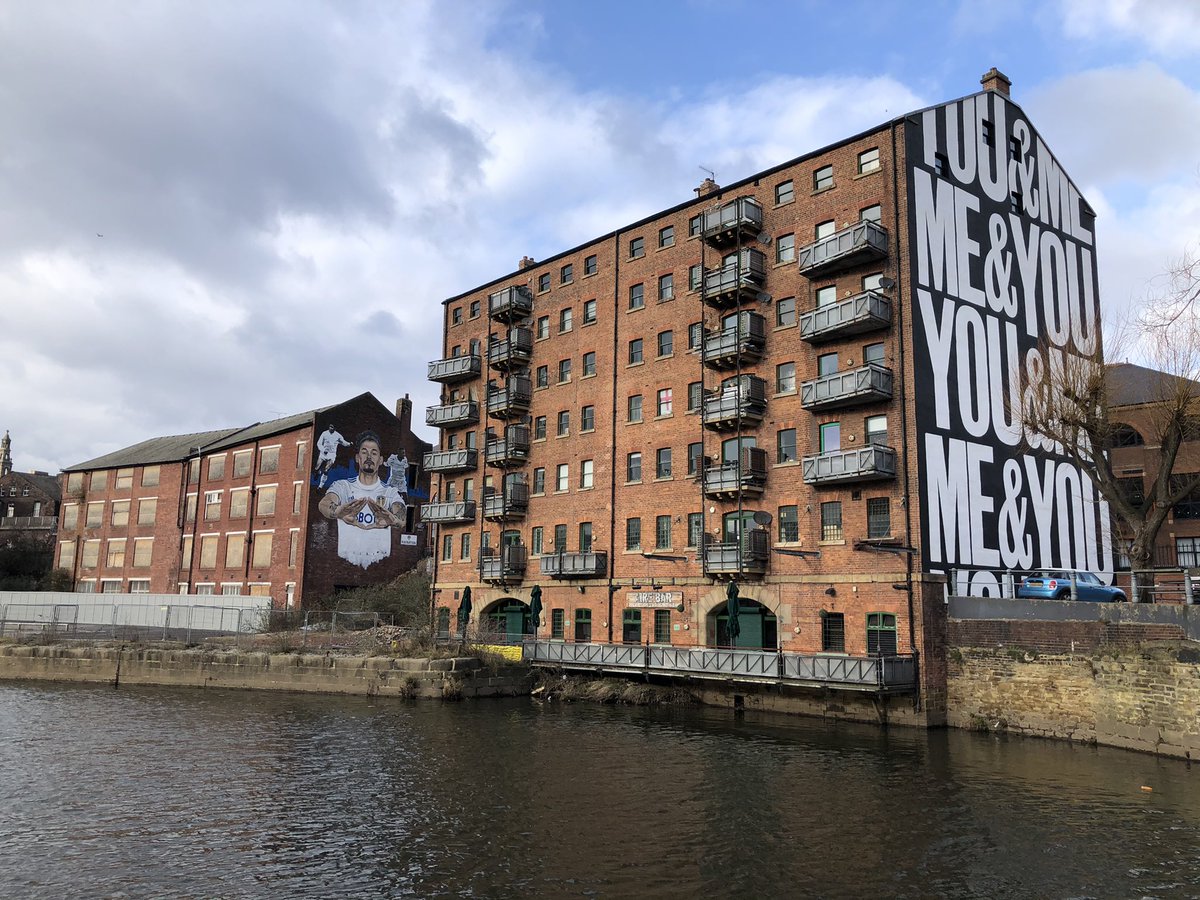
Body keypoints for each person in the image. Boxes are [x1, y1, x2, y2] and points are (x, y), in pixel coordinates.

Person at [318, 431, 405, 569]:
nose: (369, 456)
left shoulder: (390, 492)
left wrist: (393, 519)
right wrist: (338, 512)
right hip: (344, 564)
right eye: (364, 452)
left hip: (379, 567)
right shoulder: (343, 486)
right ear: (358, 457)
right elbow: (324, 504)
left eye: (374, 453)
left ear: (381, 460)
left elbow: (402, 515)